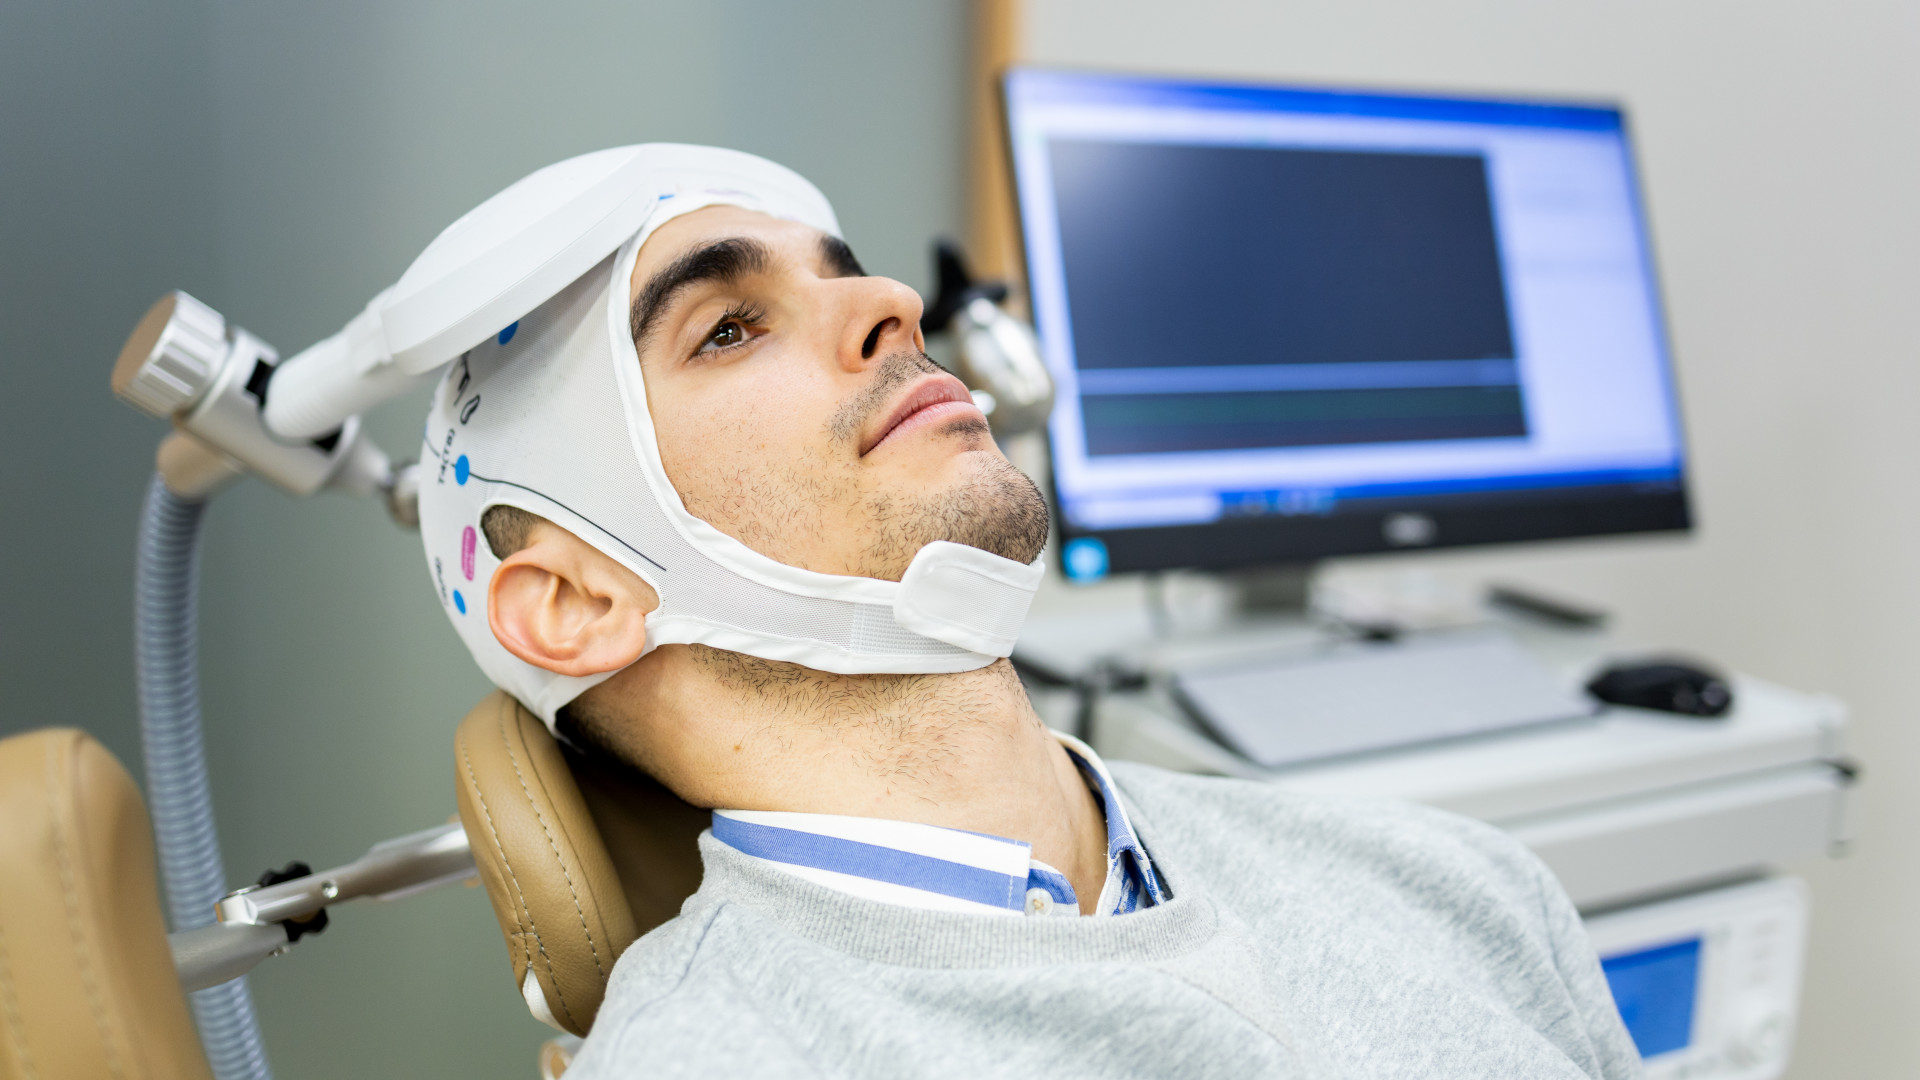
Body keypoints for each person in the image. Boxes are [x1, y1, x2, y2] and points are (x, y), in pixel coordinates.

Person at [419, 145, 1640, 1078]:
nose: (894, 299)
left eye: (848, 274)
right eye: (729, 328)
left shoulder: (1461, 885)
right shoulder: (723, 1056)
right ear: (576, 602)